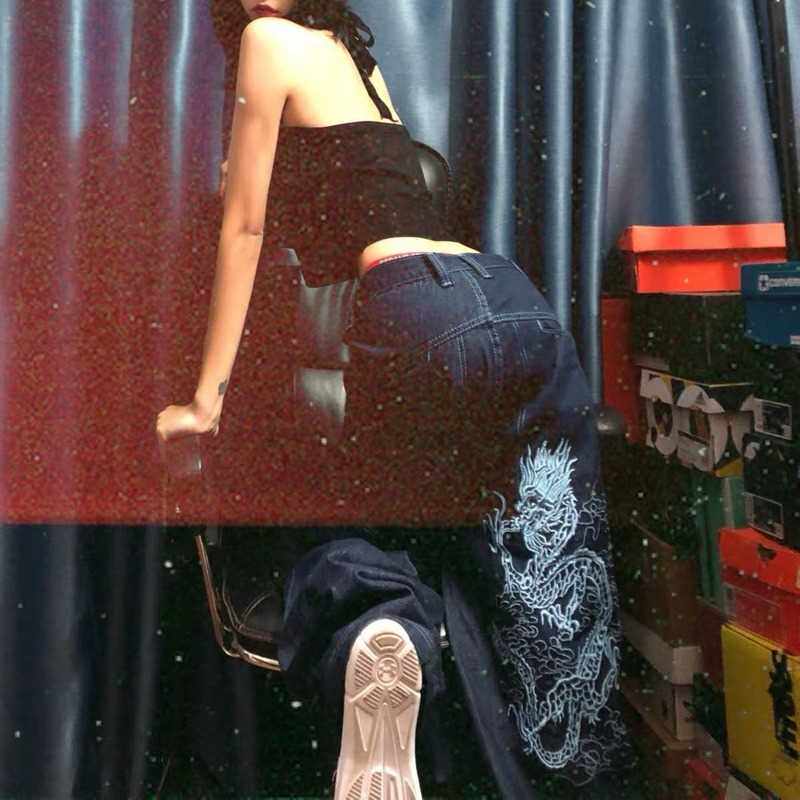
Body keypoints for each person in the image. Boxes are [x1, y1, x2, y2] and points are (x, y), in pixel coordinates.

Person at [156, 1, 638, 798]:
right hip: (512, 301)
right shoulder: (360, 64)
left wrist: (206, 401)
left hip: (415, 305)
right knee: (547, 570)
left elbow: (243, 231)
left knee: (373, 537)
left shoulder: (268, 41)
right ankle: (576, 779)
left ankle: (379, 630)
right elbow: (367, 187)